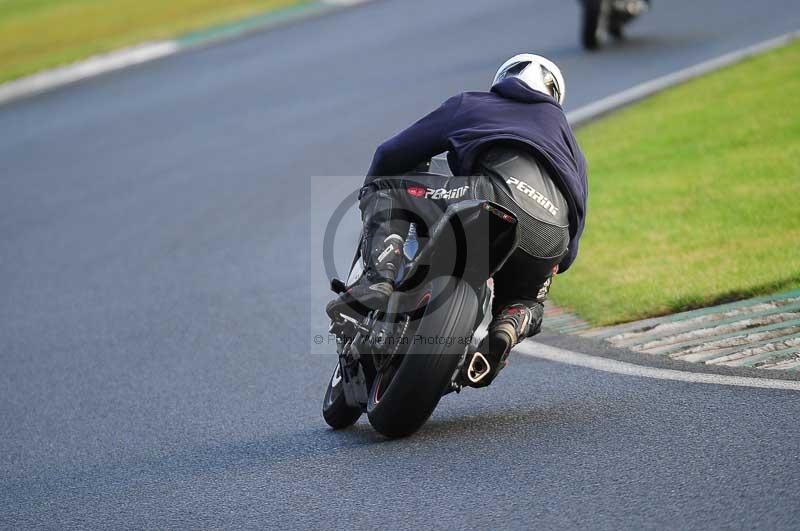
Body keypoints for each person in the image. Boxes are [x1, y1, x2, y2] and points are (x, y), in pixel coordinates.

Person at [326, 54, 588, 387]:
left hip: (491, 194)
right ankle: (509, 326)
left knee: (385, 188)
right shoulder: (573, 149)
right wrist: (552, 263)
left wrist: (372, 194)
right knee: (528, 299)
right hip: (552, 235)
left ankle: (380, 277)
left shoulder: (473, 104)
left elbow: (390, 154)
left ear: (503, 80)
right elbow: (571, 247)